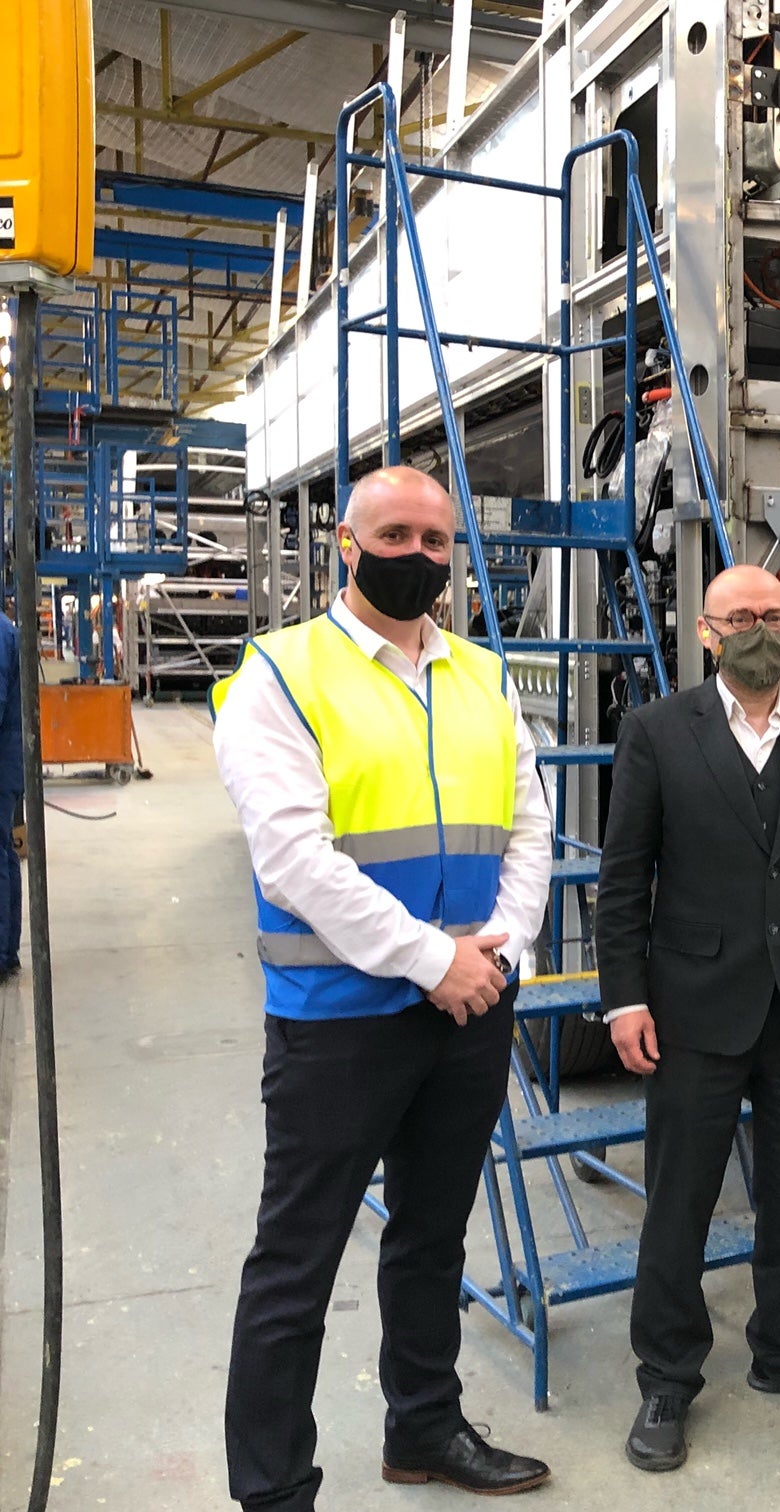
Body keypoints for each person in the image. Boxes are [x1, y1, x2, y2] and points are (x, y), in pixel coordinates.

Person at [212, 466, 554, 1509]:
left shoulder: (485, 675)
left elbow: (529, 821)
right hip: (340, 1024)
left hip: (468, 1012)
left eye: (438, 540)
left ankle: (424, 1430)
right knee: (296, 1263)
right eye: (396, 534)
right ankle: (274, 1491)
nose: (420, 556)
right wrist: (433, 960)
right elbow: (295, 860)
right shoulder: (280, 675)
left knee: (432, 1237)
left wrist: (505, 950)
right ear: (346, 546)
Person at [597, 563, 780, 1475]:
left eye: (774, 612)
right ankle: (668, 1376)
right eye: (740, 616)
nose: (760, 626)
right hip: (693, 1009)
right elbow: (622, 879)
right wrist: (626, 996)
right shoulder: (655, 732)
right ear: (706, 631)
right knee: (679, 1201)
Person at [0, 603, 20, 977]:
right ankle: (7, 949)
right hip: (10, 760)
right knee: (5, 853)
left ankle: (1, 954)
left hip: (3, 762)